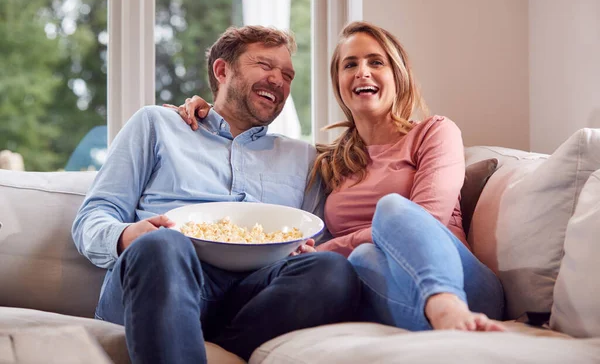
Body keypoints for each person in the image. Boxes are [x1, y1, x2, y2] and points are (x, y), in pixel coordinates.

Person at [175, 21, 506, 332]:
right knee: (360, 260)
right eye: (350, 65)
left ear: (397, 75)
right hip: (387, 292)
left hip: (459, 280)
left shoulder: (433, 132)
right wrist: (204, 111)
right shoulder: (331, 162)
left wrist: (332, 248)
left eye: (376, 62)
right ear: (339, 83)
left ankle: (446, 306)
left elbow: (429, 218)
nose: (363, 71)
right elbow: (308, 232)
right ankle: (438, 321)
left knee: (392, 210)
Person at [72, 25, 361, 364]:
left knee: (331, 270)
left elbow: (316, 239)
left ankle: (199, 346)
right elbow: (91, 219)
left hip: (249, 299)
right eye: (265, 66)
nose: (278, 81)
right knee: (163, 243)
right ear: (222, 70)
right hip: (161, 277)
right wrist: (127, 236)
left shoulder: (304, 158)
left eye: (287, 75)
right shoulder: (157, 125)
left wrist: (301, 250)